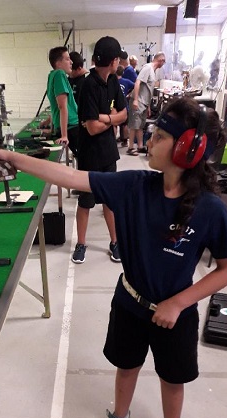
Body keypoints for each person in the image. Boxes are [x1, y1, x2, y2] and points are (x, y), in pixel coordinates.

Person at [0, 97, 227, 418]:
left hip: (176, 314)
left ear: (187, 149)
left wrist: (179, 302)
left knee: (173, 379)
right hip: (131, 303)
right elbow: (71, 177)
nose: (148, 142)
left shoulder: (209, 208)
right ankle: (120, 417)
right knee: (126, 367)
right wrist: (12, 156)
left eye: (158, 137)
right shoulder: (134, 185)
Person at [73, 36, 127, 264]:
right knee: (85, 202)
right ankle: (81, 243)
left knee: (110, 201)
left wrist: (106, 117)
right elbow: (92, 129)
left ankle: (114, 242)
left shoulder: (113, 81)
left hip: (108, 153)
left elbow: (124, 115)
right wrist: (112, 120)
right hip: (89, 154)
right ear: (114, 60)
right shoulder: (88, 85)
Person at [127, 51, 166, 155]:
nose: (163, 65)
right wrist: (135, 99)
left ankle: (140, 146)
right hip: (139, 100)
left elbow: (149, 89)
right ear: (161, 60)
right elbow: (137, 82)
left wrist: (148, 106)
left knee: (140, 126)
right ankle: (130, 147)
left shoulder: (153, 71)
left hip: (144, 102)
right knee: (134, 125)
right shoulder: (147, 68)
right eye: (164, 62)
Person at [44, 46, 79, 157]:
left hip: (67, 127)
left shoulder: (51, 75)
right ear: (58, 63)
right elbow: (62, 106)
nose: (71, 62)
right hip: (72, 127)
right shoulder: (60, 74)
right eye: (68, 59)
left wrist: (51, 127)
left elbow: (54, 105)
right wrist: (64, 135)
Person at [116, 65, 135, 146]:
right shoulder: (126, 81)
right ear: (123, 72)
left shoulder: (111, 81)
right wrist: (130, 94)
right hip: (124, 104)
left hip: (114, 105)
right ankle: (124, 141)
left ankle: (112, 141)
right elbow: (136, 86)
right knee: (124, 124)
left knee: (114, 124)